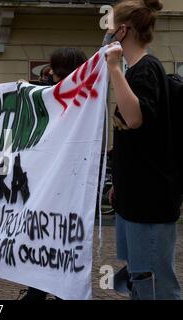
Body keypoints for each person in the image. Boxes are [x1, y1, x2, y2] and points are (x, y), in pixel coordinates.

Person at [105, 0, 181, 300]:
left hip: (150, 202)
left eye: (110, 29)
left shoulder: (145, 69)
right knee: (141, 278)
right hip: (134, 197)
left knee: (158, 284)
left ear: (123, 32)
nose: (107, 34)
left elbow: (135, 118)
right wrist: (119, 185)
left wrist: (113, 68)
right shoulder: (134, 72)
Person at [20, 48, 87, 301]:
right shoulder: (60, 94)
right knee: (50, 237)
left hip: (63, 179)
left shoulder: (77, 97)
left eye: (55, 70)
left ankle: (46, 291)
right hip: (59, 178)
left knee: (55, 237)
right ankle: (45, 290)